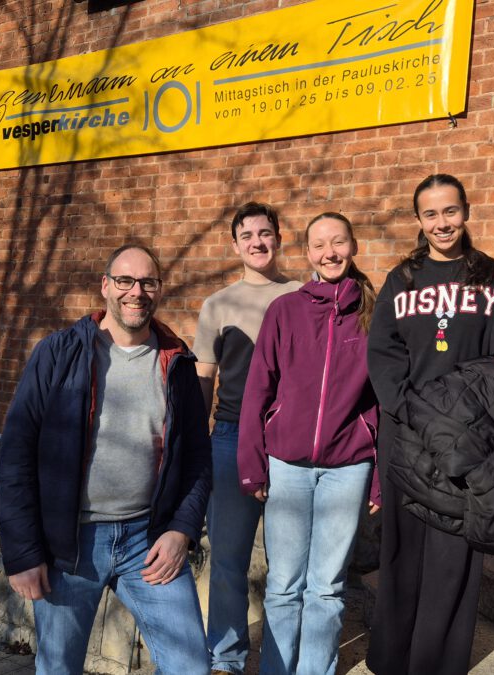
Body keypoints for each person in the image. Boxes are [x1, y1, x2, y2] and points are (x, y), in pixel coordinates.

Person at [0, 244, 212, 675]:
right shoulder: (58, 353)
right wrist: (22, 553)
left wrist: (182, 530)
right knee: (58, 668)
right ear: (105, 286)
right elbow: (16, 454)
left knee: (190, 665)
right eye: (125, 281)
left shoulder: (178, 363)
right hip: (70, 544)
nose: (136, 292)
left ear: (159, 289)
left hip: (148, 541)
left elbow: (197, 459)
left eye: (147, 282)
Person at [365, 174, 494, 675]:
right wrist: (409, 409)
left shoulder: (492, 277)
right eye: (430, 214)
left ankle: (436, 664)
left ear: (466, 212)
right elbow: (383, 352)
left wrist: (463, 416)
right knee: (402, 549)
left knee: (454, 554)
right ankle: (392, 659)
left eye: (450, 211)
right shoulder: (402, 279)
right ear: (419, 220)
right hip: (408, 432)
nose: (442, 223)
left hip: (467, 439)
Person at [237, 212, 381, 675]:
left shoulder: (373, 313)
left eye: (338, 242)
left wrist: (379, 478)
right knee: (282, 585)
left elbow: (386, 400)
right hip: (287, 466)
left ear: (353, 245)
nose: (329, 253)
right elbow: (259, 388)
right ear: (307, 253)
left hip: (348, 466)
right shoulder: (286, 309)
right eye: (319, 245)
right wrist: (252, 463)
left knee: (327, 587)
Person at [193, 202, 301, 674]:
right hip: (232, 439)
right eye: (247, 235)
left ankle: (281, 662)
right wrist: (196, 445)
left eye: (265, 233)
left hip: (290, 441)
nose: (257, 242)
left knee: (289, 568)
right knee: (229, 560)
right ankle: (227, 659)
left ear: (278, 238)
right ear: (234, 244)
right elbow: (203, 381)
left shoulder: (304, 294)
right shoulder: (217, 305)